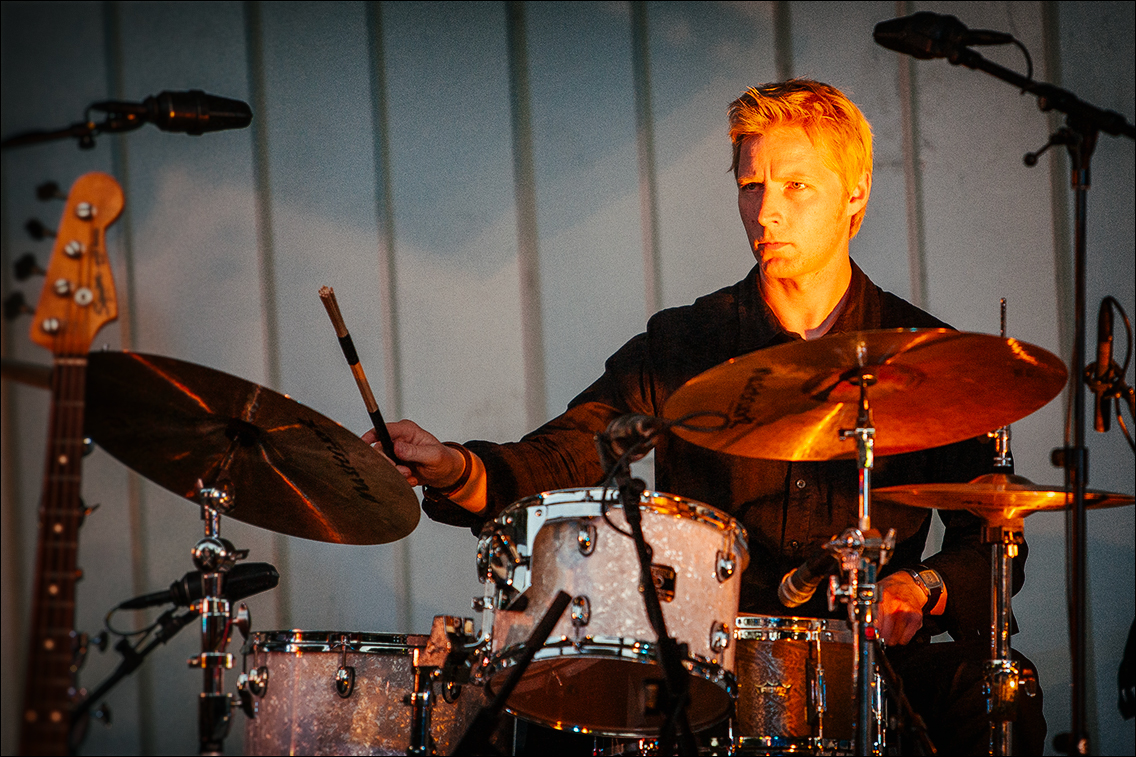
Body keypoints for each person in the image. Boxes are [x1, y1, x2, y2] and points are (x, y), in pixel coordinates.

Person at [364, 79, 1045, 755]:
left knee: (994, 689)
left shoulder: (932, 360)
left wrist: (921, 586)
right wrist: (457, 467)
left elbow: (993, 546)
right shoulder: (684, 344)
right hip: (709, 667)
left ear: (856, 192)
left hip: (872, 663)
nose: (766, 211)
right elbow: (570, 452)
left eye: (795, 186)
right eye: (752, 186)